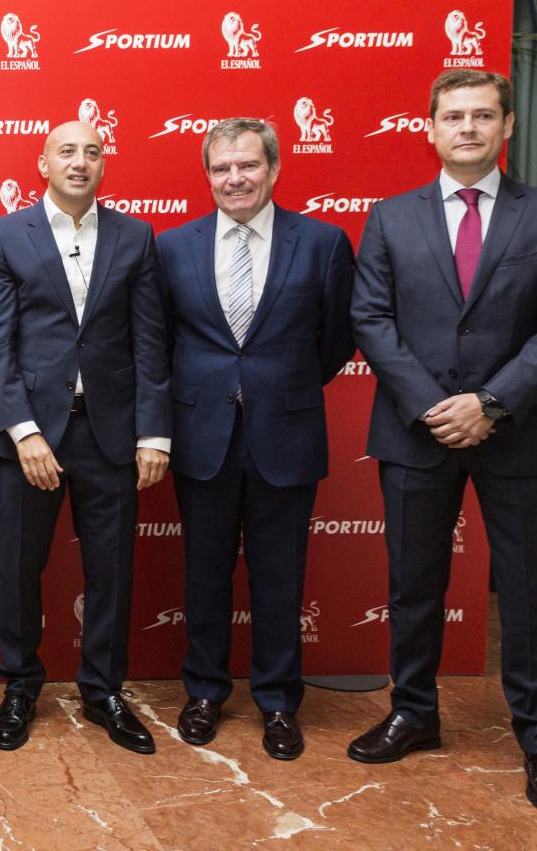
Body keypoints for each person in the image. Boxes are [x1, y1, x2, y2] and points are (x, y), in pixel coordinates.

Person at [348, 69, 537, 816]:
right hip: (418, 431)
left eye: (482, 115)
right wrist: (433, 406)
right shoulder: (390, 218)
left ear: (507, 127)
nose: (467, 128)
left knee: (531, 597)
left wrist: (490, 403)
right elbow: (371, 320)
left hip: (521, 434)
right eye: (452, 116)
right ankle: (412, 714)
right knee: (413, 585)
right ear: (429, 128)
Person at [155, 118, 355, 759]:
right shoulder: (172, 247)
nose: (234, 178)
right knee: (204, 572)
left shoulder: (323, 243)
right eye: (221, 168)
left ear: (273, 168)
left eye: (247, 165)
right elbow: (158, 341)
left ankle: (277, 702)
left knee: (280, 577)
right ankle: (206, 692)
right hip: (201, 434)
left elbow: (337, 339)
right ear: (207, 175)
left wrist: (279, 386)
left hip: (286, 432)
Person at [0, 120, 169, 755]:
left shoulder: (136, 237)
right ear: (43, 163)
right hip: (32, 434)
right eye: (67, 151)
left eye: (92, 151)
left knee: (111, 568)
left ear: (103, 164)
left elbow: (149, 343)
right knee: (18, 567)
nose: (80, 161)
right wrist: (23, 431)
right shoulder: (6, 235)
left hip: (111, 433)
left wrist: (154, 434)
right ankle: (21, 685)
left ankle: (103, 690)